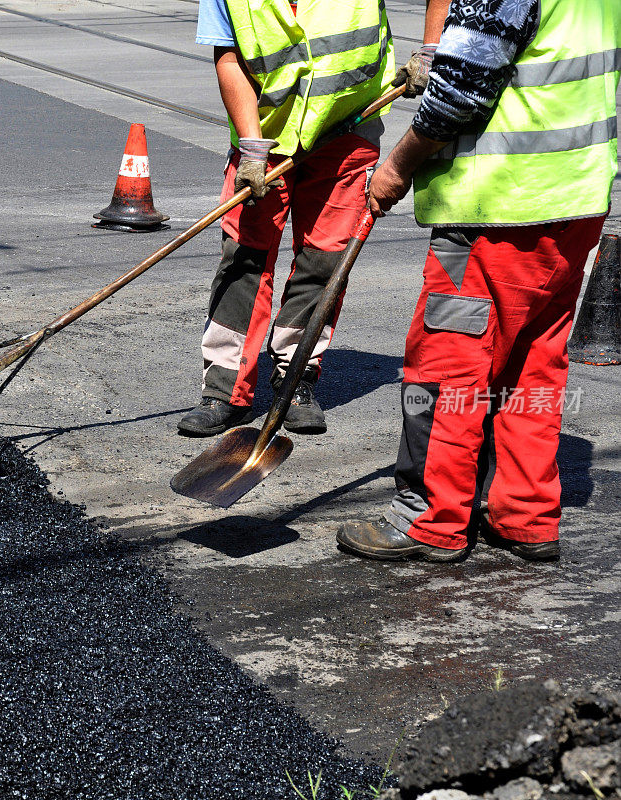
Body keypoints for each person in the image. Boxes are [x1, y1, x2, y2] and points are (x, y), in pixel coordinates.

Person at [336, 0, 621, 562]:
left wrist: (396, 167)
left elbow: (458, 95)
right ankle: (526, 514)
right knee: (533, 362)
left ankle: (430, 517)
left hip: (496, 206)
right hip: (573, 200)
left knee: (448, 367)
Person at [178, 0, 449, 437]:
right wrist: (251, 146)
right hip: (264, 135)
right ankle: (224, 389)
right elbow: (228, 55)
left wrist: (432, 49)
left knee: (324, 259)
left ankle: (296, 376)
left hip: (347, 130)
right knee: (245, 256)